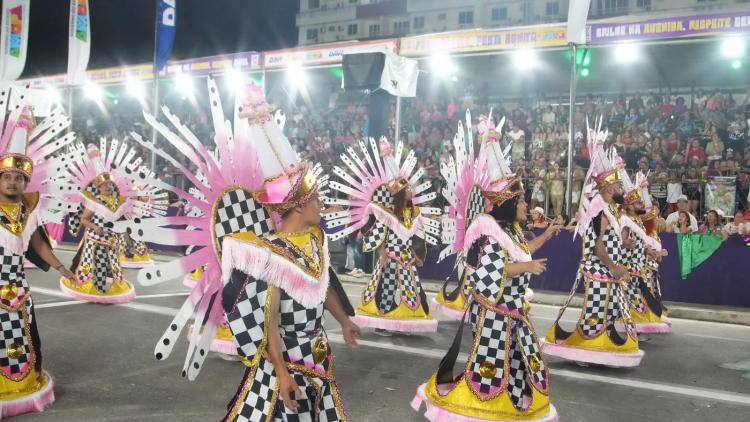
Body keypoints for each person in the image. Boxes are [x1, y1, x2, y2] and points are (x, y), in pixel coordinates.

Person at [413, 110, 560, 422]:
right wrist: (527, 268)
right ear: (509, 204)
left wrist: (546, 236)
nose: (526, 205)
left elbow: (521, 254)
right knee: (491, 365)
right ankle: (483, 407)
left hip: (513, 311)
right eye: (521, 202)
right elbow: (495, 271)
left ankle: (511, 400)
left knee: (516, 361)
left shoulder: (511, 231)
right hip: (495, 313)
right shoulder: (489, 232)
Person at [543, 118, 644, 367]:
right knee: (596, 312)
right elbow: (597, 245)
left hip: (608, 269)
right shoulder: (600, 210)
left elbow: (608, 239)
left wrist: (624, 245)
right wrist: (613, 266)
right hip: (599, 268)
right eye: (618, 185)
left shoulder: (610, 209)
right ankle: (584, 351)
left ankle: (599, 349)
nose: (622, 188)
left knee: (610, 312)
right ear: (608, 188)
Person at [0, 102, 76, 417]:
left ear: (26, 183)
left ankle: (19, 385)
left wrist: (61, 268)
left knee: (20, 335)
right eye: (6, 176)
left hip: (17, 288)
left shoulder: (28, 210)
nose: (12, 182)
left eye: (18, 178)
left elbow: (39, 245)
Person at [325, 136, 441, 334]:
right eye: (407, 189)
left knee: (411, 289)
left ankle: (407, 321)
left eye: (410, 188)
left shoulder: (413, 213)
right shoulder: (386, 213)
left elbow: (414, 238)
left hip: (406, 257)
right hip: (390, 255)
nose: (411, 191)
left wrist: (415, 254)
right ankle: (382, 322)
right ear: (399, 193)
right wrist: (383, 253)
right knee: (386, 289)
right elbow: (379, 234)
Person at [60, 143, 155, 303]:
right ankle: (92, 289)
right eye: (104, 184)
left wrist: (141, 198)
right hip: (94, 240)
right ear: (99, 186)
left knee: (109, 265)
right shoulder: (94, 201)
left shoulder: (118, 201)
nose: (108, 186)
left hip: (111, 241)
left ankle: (104, 289)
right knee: (93, 264)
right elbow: (84, 219)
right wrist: (95, 227)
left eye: (110, 184)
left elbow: (131, 199)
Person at [619, 170, 671, 334]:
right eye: (638, 203)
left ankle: (633, 330)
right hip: (628, 270)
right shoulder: (625, 221)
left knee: (639, 302)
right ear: (629, 206)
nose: (642, 204)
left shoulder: (637, 221)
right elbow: (620, 242)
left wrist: (653, 252)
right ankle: (629, 331)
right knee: (633, 303)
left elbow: (641, 244)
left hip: (637, 269)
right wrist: (625, 243)